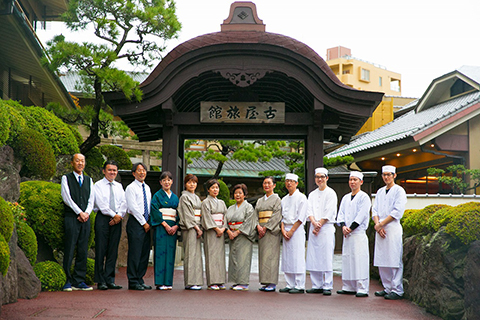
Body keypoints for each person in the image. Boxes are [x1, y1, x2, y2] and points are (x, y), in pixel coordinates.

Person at [372, 165, 407, 300]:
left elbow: (397, 211)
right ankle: (387, 287)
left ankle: (397, 289)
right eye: (384, 175)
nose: (386, 177)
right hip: (380, 228)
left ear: (394, 175)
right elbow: (374, 210)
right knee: (382, 259)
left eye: (389, 174)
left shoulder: (399, 191)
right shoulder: (380, 191)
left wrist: (381, 224)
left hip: (392, 228)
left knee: (394, 259)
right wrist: (377, 225)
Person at [61, 153, 95, 291]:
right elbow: (66, 197)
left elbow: (91, 199)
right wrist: (79, 212)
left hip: (85, 219)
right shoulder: (66, 178)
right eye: (77, 161)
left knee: (83, 249)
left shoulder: (88, 179)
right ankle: (67, 280)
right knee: (69, 248)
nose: (80, 163)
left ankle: (79, 280)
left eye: (82, 161)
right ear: (72, 163)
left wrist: (86, 213)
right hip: (72, 217)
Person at [93, 160, 127, 290]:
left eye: (114, 170)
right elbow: (101, 204)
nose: (112, 172)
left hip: (117, 220)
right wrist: (114, 215)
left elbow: (124, 202)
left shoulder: (119, 186)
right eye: (109, 170)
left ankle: (110, 279)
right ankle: (100, 280)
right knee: (101, 250)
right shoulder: (98, 185)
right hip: (103, 218)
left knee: (113, 251)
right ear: (104, 171)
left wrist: (119, 216)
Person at [336, 171, 371, 297]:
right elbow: (340, 214)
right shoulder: (345, 198)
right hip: (347, 235)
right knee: (347, 259)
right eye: (351, 179)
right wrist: (344, 226)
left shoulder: (364, 197)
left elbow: (362, 215)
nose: (352, 182)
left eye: (355, 179)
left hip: (358, 234)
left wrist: (351, 228)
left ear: (361, 182)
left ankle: (362, 287)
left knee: (359, 259)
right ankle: (348, 286)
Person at [305, 167, 338, 295]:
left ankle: (327, 285)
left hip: (326, 228)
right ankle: (316, 284)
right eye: (317, 177)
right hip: (314, 228)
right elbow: (309, 210)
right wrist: (314, 223)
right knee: (314, 256)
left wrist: (320, 224)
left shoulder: (331, 193)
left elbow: (330, 211)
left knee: (326, 256)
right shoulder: (312, 194)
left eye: (322, 177)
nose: (319, 179)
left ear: (327, 178)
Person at [125, 162, 152, 291]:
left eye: (144, 170)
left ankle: (140, 278)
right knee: (135, 252)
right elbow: (133, 208)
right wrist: (143, 222)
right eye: (139, 170)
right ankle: (133, 280)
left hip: (146, 223)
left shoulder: (147, 188)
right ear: (133, 173)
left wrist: (148, 222)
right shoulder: (131, 188)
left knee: (144, 252)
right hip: (136, 222)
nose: (142, 173)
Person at [150, 171, 179, 290]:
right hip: (161, 226)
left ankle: (168, 282)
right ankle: (160, 282)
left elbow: (179, 213)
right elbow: (154, 210)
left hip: (173, 227)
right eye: (164, 180)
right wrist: (165, 224)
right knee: (160, 253)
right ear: (160, 182)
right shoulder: (157, 195)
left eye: (169, 180)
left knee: (171, 254)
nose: (166, 182)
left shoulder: (175, 197)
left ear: (172, 182)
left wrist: (176, 226)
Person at [279, 173, 307, 294]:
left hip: (297, 229)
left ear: (296, 183)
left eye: (291, 181)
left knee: (298, 257)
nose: (289, 183)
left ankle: (299, 285)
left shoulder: (302, 197)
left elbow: (301, 217)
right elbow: (281, 217)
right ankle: (289, 283)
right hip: (286, 229)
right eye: (287, 181)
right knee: (287, 257)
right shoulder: (284, 199)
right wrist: (283, 230)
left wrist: (291, 231)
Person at [225, 184, 256, 291]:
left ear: (245, 195)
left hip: (243, 235)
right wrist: (229, 231)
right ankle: (236, 281)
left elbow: (249, 222)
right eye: (235, 193)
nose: (237, 195)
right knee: (234, 258)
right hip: (232, 234)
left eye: (240, 193)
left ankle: (243, 282)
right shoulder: (230, 208)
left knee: (243, 258)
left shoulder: (249, 207)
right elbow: (225, 221)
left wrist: (237, 232)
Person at [255, 176, 282, 292]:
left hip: (271, 231)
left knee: (271, 256)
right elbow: (255, 215)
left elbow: (277, 215)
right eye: (265, 183)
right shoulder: (260, 201)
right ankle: (265, 281)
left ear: (274, 185)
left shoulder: (277, 200)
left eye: (269, 183)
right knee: (263, 256)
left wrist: (265, 228)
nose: (266, 185)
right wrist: (258, 226)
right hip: (261, 229)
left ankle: (272, 282)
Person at [177, 174, 204, 290]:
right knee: (190, 254)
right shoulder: (184, 197)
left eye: (194, 182)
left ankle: (196, 280)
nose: (192, 184)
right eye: (189, 182)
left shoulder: (197, 198)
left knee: (197, 254)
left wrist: (200, 226)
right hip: (190, 227)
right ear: (185, 184)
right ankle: (190, 281)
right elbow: (187, 214)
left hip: (197, 226)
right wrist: (197, 228)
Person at [201, 179, 227, 290]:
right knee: (211, 255)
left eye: (217, 187)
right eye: (212, 188)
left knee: (220, 256)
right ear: (208, 190)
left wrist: (223, 228)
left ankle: (220, 280)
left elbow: (226, 216)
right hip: (211, 231)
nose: (215, 190)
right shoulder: (205, 202)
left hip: (221, 229)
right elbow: (206, 217)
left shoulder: (222, 202)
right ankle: (212, 281)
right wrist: (216, 228)